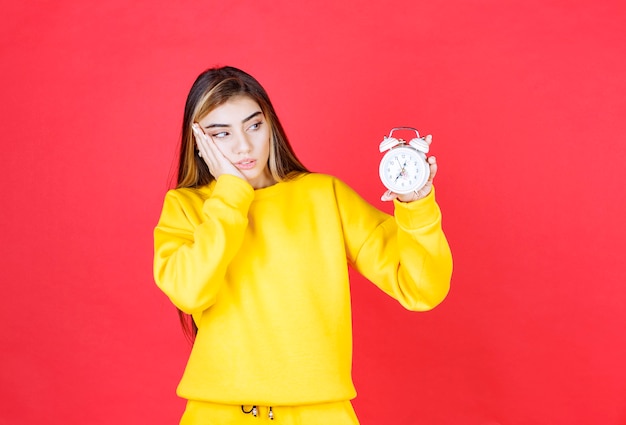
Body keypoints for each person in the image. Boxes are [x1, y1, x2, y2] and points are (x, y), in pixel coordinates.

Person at [153, 66, 453, 425]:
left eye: (254, 125)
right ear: (199, 142)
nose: (244, 146)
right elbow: (190, 292)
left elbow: (421, 288)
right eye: (222, 134)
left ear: (271, 127)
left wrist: (416, 204)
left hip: (320, 413)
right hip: (217, 414)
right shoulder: (186, 207)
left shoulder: (323, 196)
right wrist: (231, 193)